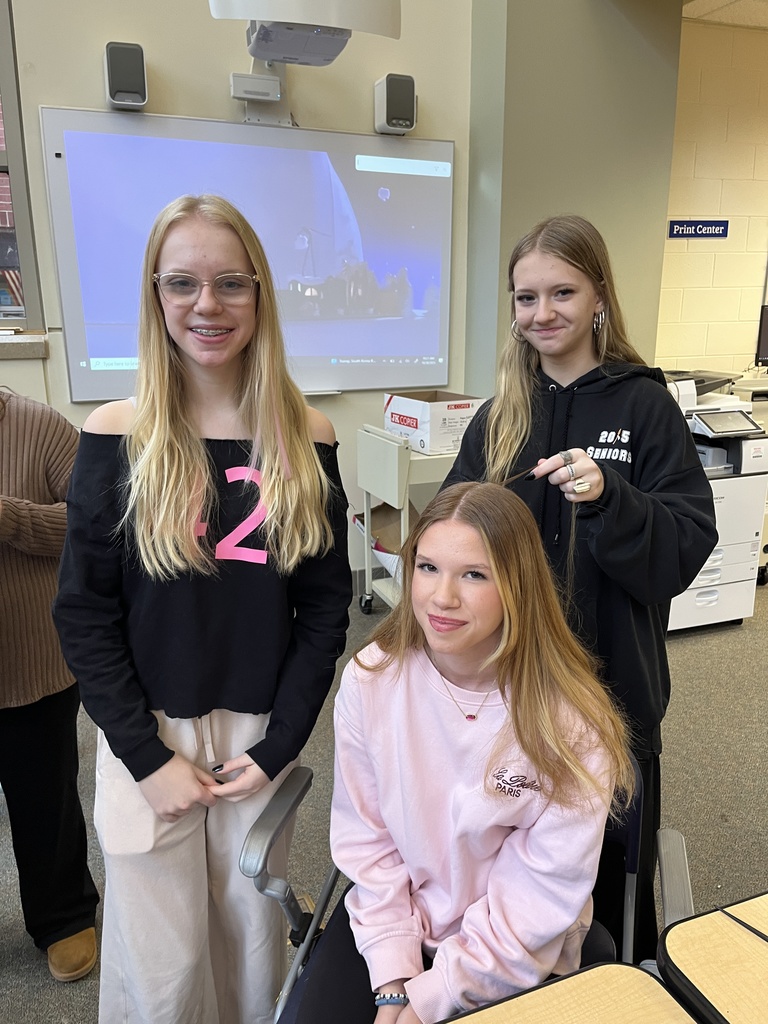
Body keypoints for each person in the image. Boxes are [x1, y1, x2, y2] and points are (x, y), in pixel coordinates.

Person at [53, 194, 353, 1024]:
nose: (207, 305)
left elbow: (327, 611)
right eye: (182, 283)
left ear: (260, 295)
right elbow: (83, 614)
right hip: (147, 733)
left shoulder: (308, 436)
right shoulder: (116, 434)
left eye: (230, 283)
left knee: (252, 939)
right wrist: (146, 757)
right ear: (156, 296)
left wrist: (282, 741)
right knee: (162, 960)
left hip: (257, 738)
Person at [443, 214, 718, 961]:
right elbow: (449, 533)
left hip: (611, 693)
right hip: (506, 692)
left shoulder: (645, 406)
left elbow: (687, 544)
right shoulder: (501, 415)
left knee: (606, 883)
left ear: (599, 294)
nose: (543, 314)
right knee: (503, 870)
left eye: (562, 292)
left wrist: (609, 499)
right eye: (525, 298)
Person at [283, 481, 633, 1024]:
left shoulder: (569, 721)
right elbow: (368, 842)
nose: (442, 598)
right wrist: (395, 981)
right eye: (427, 568)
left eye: (474, 574)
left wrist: (432, 999)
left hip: (513, 947)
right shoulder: (373, 680)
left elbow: (535, 896)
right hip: (398, 922)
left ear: (518, 586)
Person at [0, 387, 99, 981]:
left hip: (33, 667)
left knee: (45, 800)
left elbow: (96, 522)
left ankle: (63, 916)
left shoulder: (39, 426)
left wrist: (9, 518)